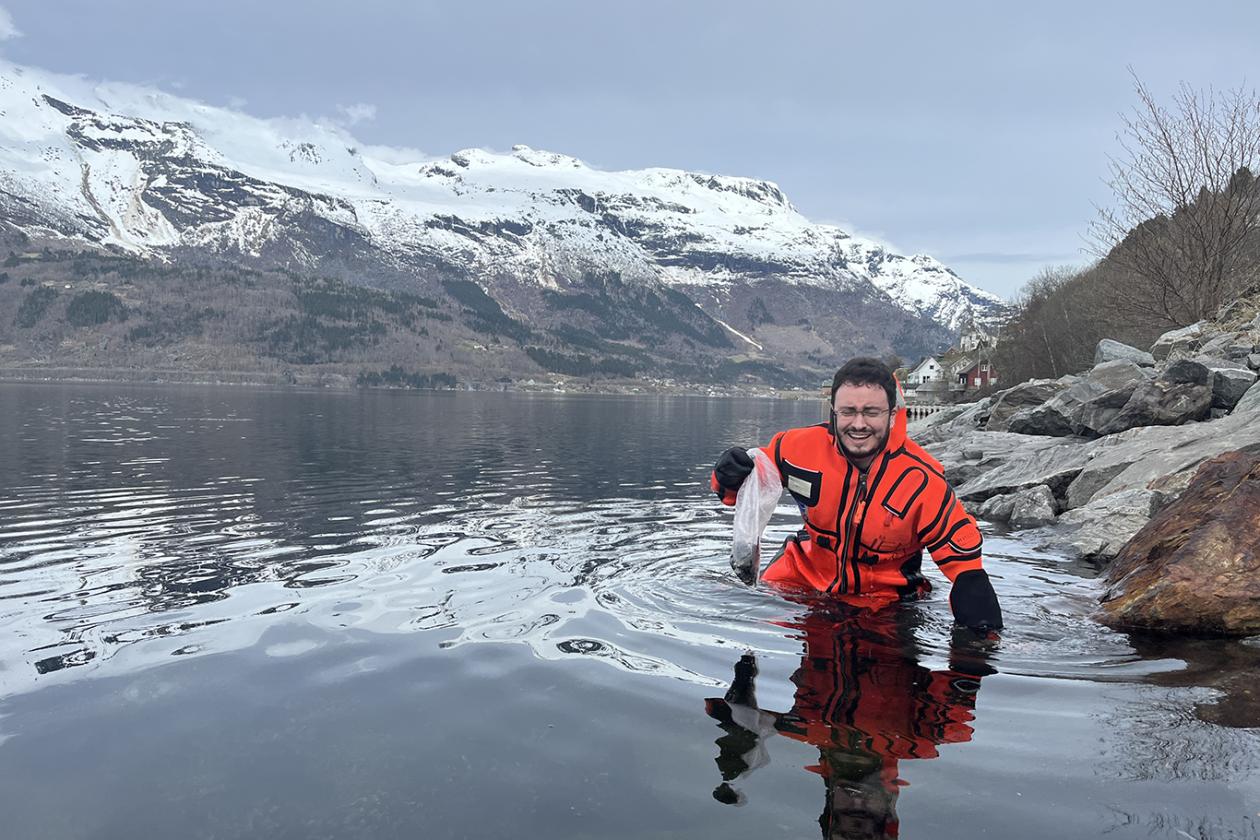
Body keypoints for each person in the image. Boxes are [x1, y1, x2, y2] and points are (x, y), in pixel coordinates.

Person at [710, 357, 1002, 632]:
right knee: (729, 619)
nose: (858, 424)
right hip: (796, 584)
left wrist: (978, 653)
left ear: (892, 415)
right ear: (833, 411)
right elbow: (743, 486)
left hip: (883, 607)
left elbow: (966, 572)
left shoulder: (924, 483)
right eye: (848, 412)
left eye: (871, 412)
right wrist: (727, 474)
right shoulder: (796, 448)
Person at [704, 604, 995, 839]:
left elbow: (727, 709)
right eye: (868, 814)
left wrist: (736, 738)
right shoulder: (924, 736)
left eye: (848, 814)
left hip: (824, 604)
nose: (858, 801)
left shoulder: (800, 728)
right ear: (888, 811)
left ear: (830, 808)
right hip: (899, 608)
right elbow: (970, 665)